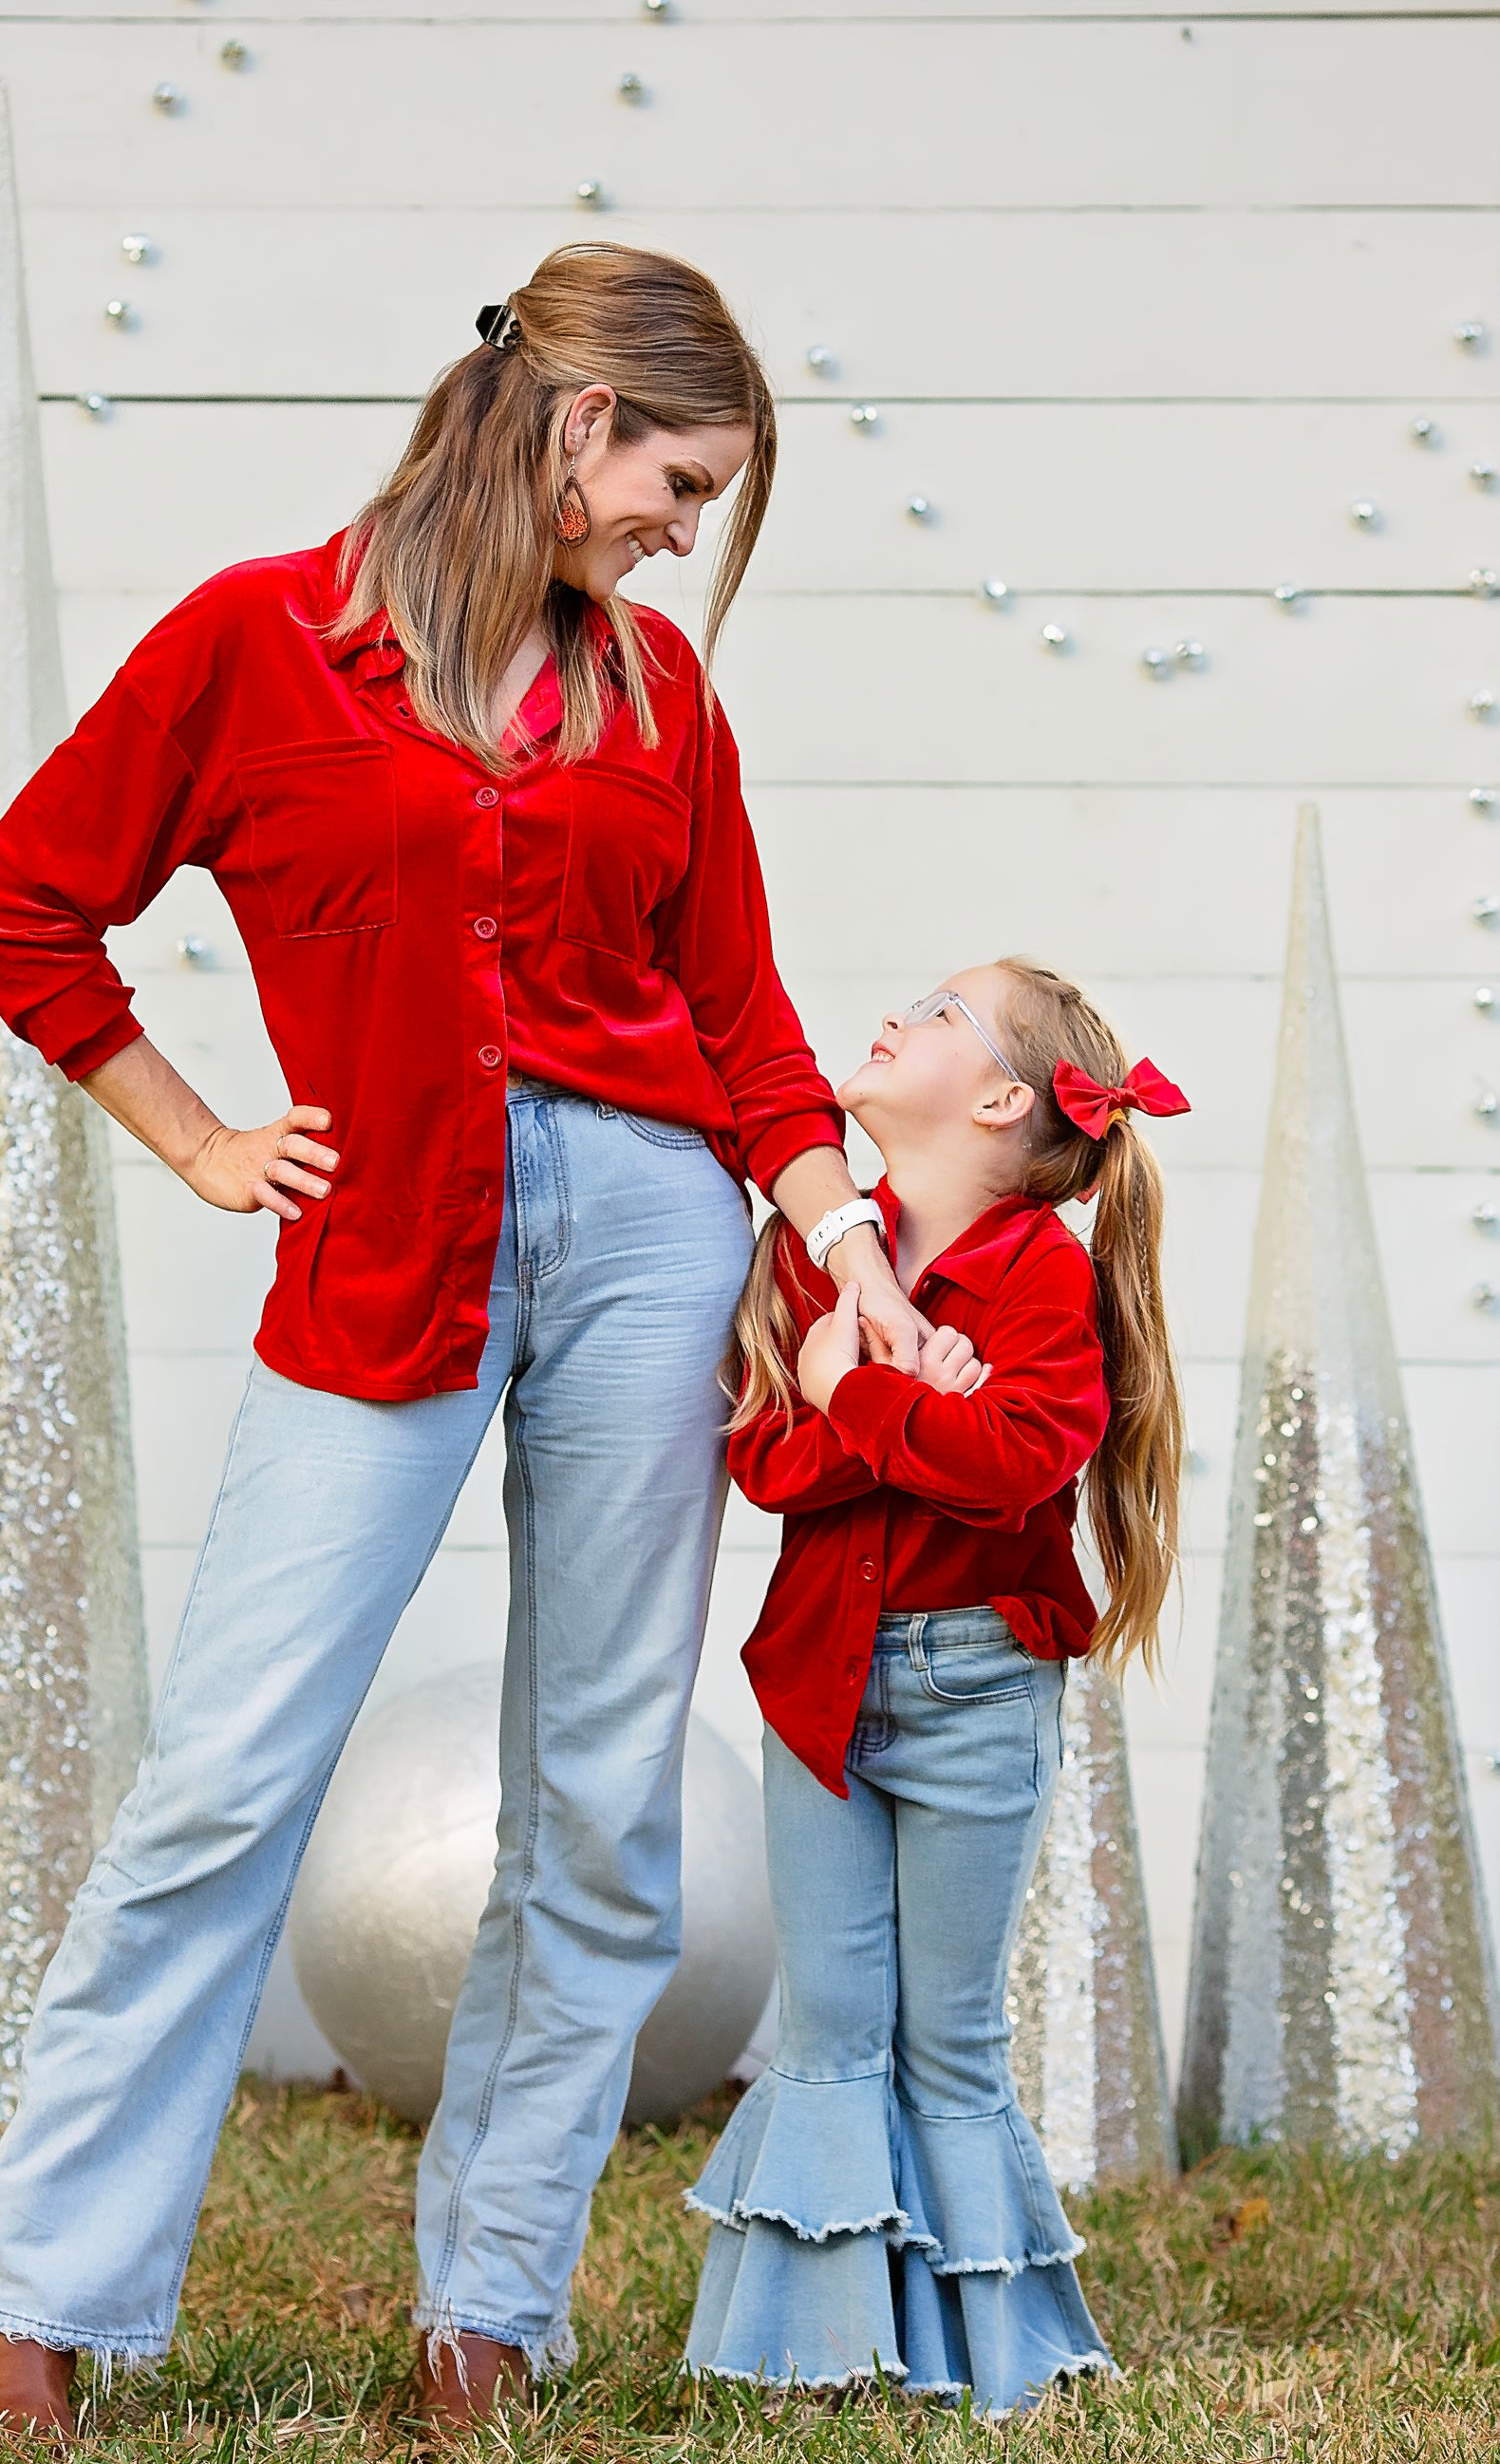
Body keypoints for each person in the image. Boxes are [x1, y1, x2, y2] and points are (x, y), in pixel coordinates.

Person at [0, 242, 946, 2441]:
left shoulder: (660, 698)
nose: (686, 528)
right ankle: (47, 2294)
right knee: (226, 1781)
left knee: (599, 1804)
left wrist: (836, 1242)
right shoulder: (254, 640)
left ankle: (485, 2309)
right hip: (380, 1249)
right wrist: (197, 1132)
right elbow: (24, 900)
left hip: (653, 1246)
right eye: (681, 477)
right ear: (579, 426)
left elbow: (742, 1022)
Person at [683, 959, 1189, 2415]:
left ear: (995, 1101)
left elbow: (1016, 1463)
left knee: (944, 2036)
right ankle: (821, 2343)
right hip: (817, 1690)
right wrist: (894, 1403)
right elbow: (762, 1457)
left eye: (940, 1010)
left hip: (974, 1691)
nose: (894, 1010)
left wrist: (860, 1395)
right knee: (832, 2024)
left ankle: (986, 2356)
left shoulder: (1037, 1275)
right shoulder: (814, 1253)